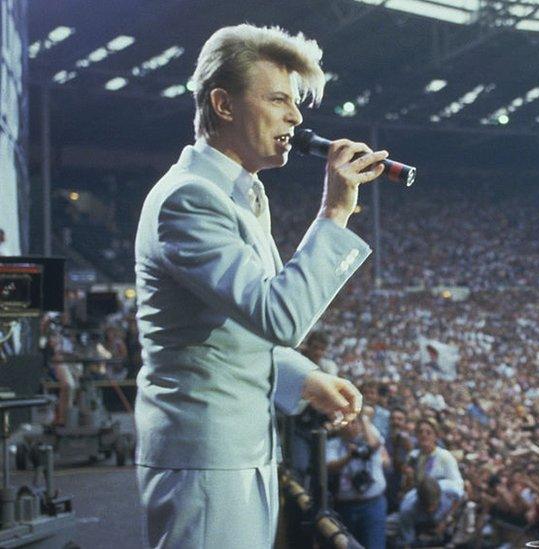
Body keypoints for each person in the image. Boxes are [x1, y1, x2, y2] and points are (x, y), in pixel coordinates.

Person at [133, 24, 388, 549]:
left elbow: (234, 331)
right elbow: (280, 318)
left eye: (294, 102)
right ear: (224, 104)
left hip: (235, 451)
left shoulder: (237, 194)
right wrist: (335, 212)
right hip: (206, 460)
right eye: (278, 99)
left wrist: (302, 380)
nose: (295, 116)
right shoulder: (190, 200)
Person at [326, 409, 389, 549]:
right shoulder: (334, 444)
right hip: (345, 507)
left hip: (372, 504)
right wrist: (349, 456)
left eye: (354, 422)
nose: (350, 426)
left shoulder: (369, 435)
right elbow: (330, 466)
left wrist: (364, 418)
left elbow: (373, 445)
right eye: (346, 423)